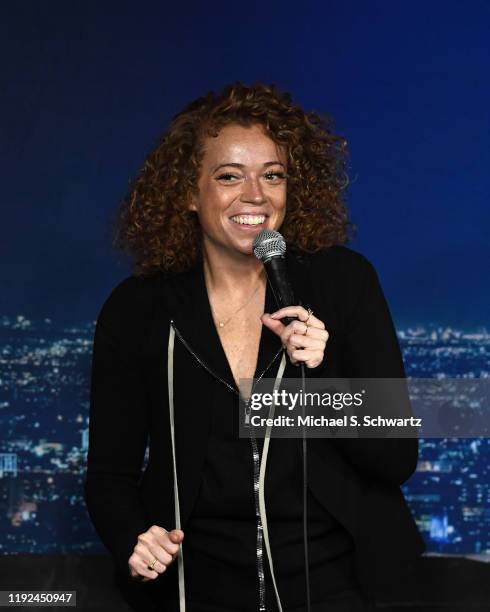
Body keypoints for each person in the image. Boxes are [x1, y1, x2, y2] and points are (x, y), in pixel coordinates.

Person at [84, 81, 425, 612]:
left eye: (273, 175)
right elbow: (109, 476)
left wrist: (324, 371)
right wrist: (134, 537)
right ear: (188, 194)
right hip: (197, 587)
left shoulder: (344, 283)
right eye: (228, 176)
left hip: (342, 585)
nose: (256, 196)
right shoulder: (137, 309)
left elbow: (396, 457)